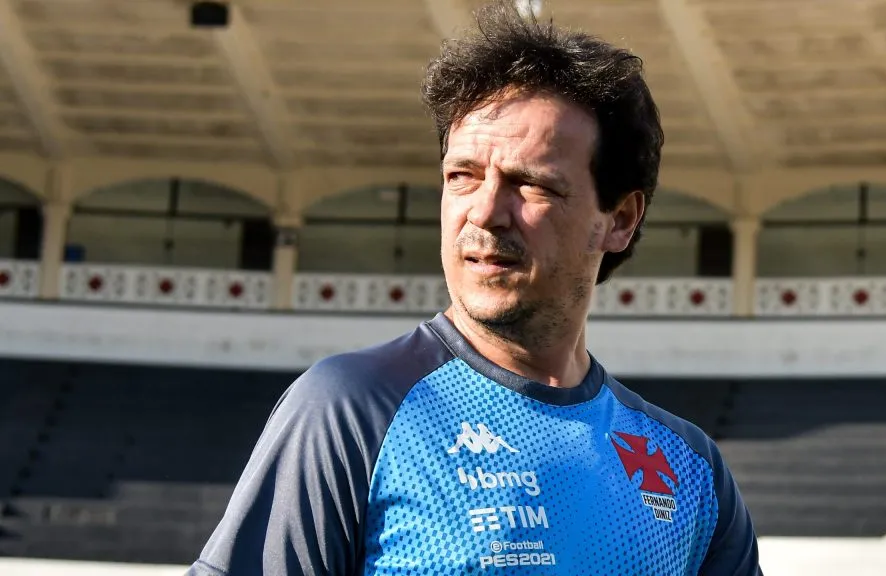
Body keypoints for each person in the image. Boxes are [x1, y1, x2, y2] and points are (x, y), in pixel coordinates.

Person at [189, 2, 761, 574]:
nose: (484, 212)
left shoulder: (690, 472)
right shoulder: (351, 409)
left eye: (531, 184)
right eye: (462, 176)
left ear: (620, 220)